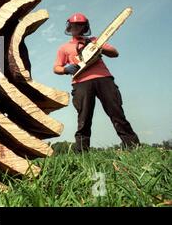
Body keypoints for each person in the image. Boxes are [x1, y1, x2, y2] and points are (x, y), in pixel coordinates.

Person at [53, 12, 140, 152]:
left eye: (79, 25)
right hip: (80, 82)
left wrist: (97, 46)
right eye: (74, 25)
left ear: (84, 27)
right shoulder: (64, 48)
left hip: (103, 78)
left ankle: (133, 146)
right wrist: (66, 69)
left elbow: (114, 52)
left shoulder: (95, 40)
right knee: (84, 118)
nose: (76, 27)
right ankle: (82, 152)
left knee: (116, 112)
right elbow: (56, 68)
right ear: (69, 27)